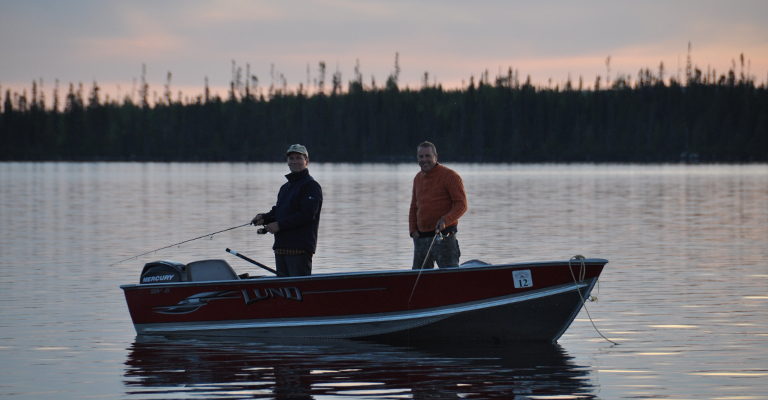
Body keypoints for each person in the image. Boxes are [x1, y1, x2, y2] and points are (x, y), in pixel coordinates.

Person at [251, 144, 322, 277]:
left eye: (298, 158)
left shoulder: (311, 186)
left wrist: (279, 225)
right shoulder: (285, 187)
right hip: (281, 248)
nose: (295, 161)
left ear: (307, 161)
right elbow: (280, 212)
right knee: (284, 290)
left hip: (299, 249)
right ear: (287, 162)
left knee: (300, 289)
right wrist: (264, 218)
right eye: (291, 159)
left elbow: (307, 214)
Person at [409, 141, 467, 269]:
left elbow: (461, 204)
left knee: (449, 277)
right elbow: (414, 206)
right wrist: (412, 229)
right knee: (419, 279)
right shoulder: (418, 178)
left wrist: (445, 220)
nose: (424, 160)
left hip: (444, 237)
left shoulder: (450, 176)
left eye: (428, 156)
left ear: (436, 157)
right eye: (421, 156)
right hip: (421, 238)